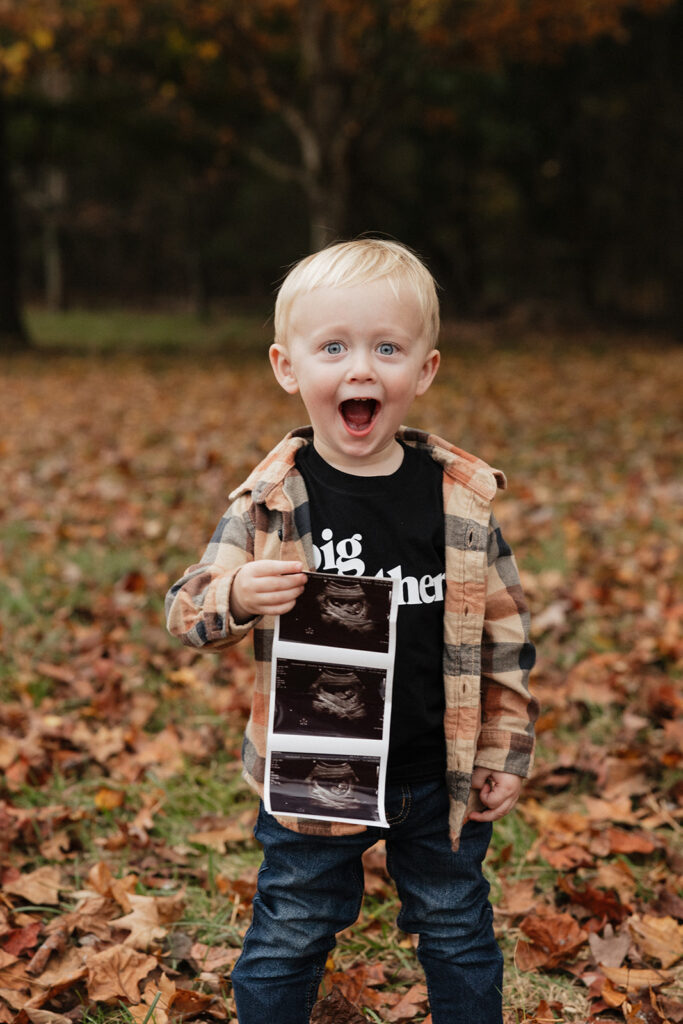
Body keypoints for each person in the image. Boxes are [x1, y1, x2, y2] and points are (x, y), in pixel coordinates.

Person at [165, 238, 538, 1024]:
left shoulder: (456, 502)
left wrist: (504, 748)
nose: (360, 369)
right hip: (312, 776)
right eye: (333, 347)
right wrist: (235, 590)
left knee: (458, 930)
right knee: (289, 933)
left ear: (424, 371)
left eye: (386, 348)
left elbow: (503, 634)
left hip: (437, 775)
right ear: (287, 367)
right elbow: (186, 609)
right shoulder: (269, 502)